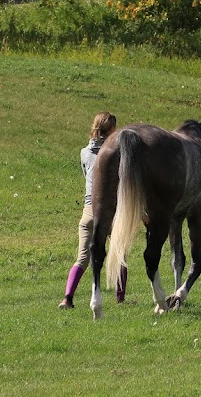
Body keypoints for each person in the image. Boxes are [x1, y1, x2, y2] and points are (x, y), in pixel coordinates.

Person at [59, 111, 128, 309]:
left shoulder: (84, 152)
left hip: (88, 210)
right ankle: (120, 299)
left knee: (82, 257)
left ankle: (68, 298)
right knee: (120, 254)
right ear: (112, 129)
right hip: (110, 210)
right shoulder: (117, 153)